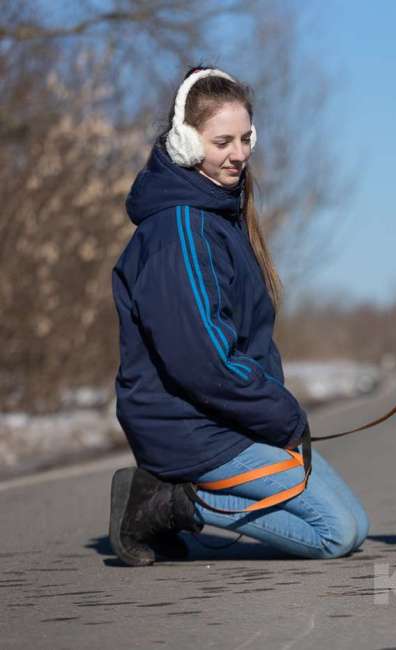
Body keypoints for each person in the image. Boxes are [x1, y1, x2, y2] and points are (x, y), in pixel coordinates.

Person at [109, 67, 368, 566]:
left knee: (354, 524)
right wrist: (284, 417)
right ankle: (164, 502)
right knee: (336, 532)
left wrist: (273, 417)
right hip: (187, 430)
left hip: (226, 422)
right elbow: (204, 361)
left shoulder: (216, 218)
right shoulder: (182, 229)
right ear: (187, 143)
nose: (239, 153)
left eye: (246, 139)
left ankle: (183, 500)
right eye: (222, 141)